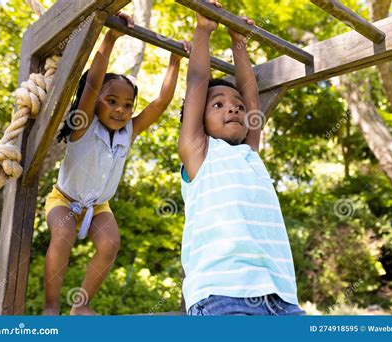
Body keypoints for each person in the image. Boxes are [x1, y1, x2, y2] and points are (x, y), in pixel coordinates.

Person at [43, 11, 190, 315]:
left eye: (127, 105)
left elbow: (160, 103)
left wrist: (175, 61)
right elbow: (93, 82)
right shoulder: (83, 125)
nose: (121, 110)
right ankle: (51, 306)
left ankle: (81, 306)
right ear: (96, 101)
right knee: (64, 234)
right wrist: (109, 37)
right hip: (64, 200)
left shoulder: (128, 131)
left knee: (110, 244)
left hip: (99, 207)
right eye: (111, 101)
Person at [178, 1, 305, 316]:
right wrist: (204, 30)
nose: (233, 108)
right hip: (221, 295)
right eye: (217, 105)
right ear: (198, 120)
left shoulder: (249, 154)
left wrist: (239, 42)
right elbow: (196, 81)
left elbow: (251, 95)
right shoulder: (200, 152)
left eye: (236, 105)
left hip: (281, 296)